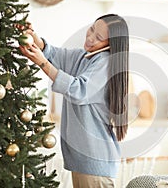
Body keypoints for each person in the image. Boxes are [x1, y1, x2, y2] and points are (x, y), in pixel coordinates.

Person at [19, 14, 129, 188]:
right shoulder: (85, 57)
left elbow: (78, 89)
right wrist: (34, 38)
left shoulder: (105, 62)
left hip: (94, 162)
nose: (91, 37)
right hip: (84, 162)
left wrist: (42, 63)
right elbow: (55, 55)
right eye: (92, 29)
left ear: (110, 44)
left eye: (99, 37)